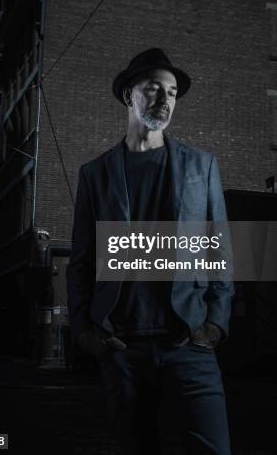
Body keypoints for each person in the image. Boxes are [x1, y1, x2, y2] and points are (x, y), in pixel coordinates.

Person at [66, 48, 234, 455]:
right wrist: (86, 332)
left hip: (188, 343)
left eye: (172, 92)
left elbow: (219, 251)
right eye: (154, 89)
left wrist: (215, 323)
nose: (164, 101)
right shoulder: (96, 173)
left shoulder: (202, 166)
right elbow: (82, 261)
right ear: (129, 95)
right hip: (122, 349)